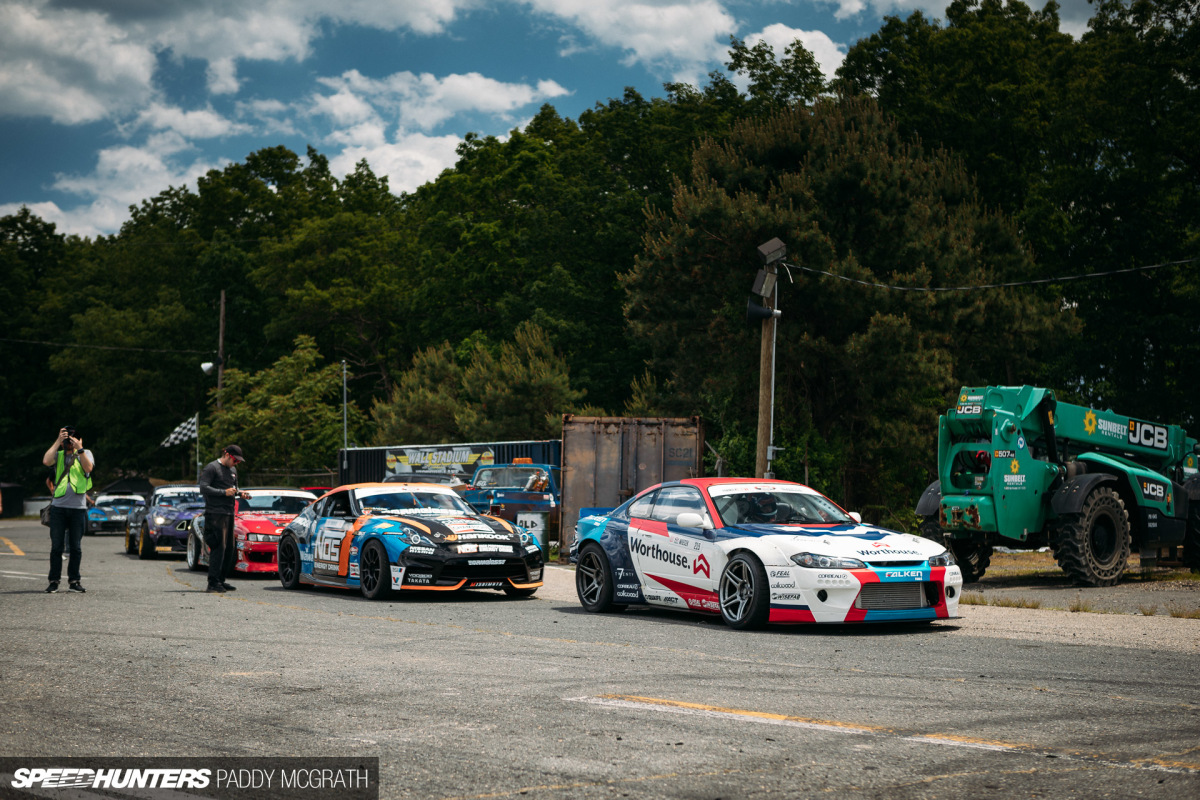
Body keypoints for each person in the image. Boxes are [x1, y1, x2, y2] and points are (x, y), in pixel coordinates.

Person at [42, 426, 94, 593]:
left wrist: (80, 449)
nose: (68, 443)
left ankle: (74, 581)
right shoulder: (58, 455)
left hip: (77, 508)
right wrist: (58, 441)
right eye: (66, 440)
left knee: (75, 547)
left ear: (79, 440)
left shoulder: (85, 453)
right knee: (57, 546)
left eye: (71, 439)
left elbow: (88, 468)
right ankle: (54, 580)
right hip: (58, 507)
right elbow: (46, 461)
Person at [198, 445, 249, 593]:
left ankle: (220, 580)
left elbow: (233, 490)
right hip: (215, 513)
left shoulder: (233, 470)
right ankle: (212, 583)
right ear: (227, 454)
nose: (236, 463)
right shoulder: (211, 468)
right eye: (235, 460)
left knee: (229, 549)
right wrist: (223, 492)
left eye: (239, 461)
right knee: (218, 547)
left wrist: (240, 493)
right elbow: (203, 487)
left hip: (229, 513)